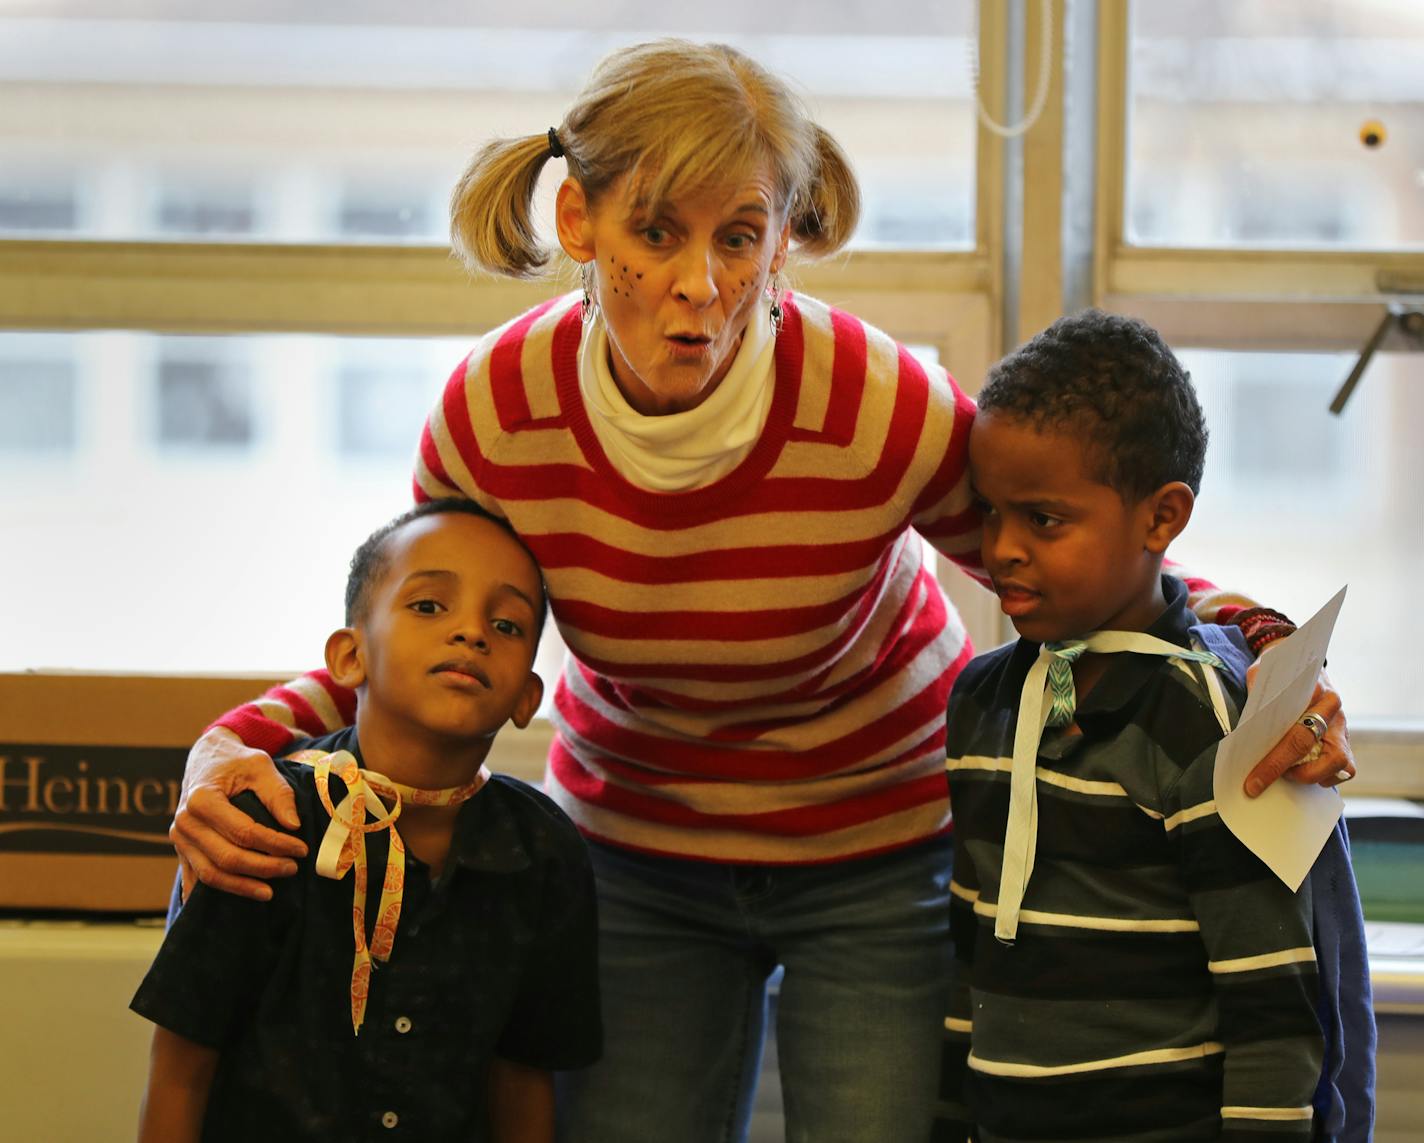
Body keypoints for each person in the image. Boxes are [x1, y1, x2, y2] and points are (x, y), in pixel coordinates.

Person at [163, 40, 1357, 1143]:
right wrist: (225, 750)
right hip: (635, 846)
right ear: (578, 218)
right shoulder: (494, 414)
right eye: (656, 232)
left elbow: (1087, 562)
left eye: (739, 236)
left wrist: (1263, 666)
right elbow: (420, 640)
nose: (699, 285)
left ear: (785, 236)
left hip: (876, 846)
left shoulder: (869, 399)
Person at [934, 311, 1373, 1142]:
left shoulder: (1203, 720)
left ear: (1161, 519)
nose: (1003, 549)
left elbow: (1272, 1004)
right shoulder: (981, 702)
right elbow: (970, 962)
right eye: (990, 512)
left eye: (1044, 519)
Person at [131, 499, 602, 1143]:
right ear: (349, 658)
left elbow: (522, 1082)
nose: (472, 633)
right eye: (430, 606)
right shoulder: (262, 822)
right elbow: (182, 1071)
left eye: (507, 624)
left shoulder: (545, 852)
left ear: (527, 696)